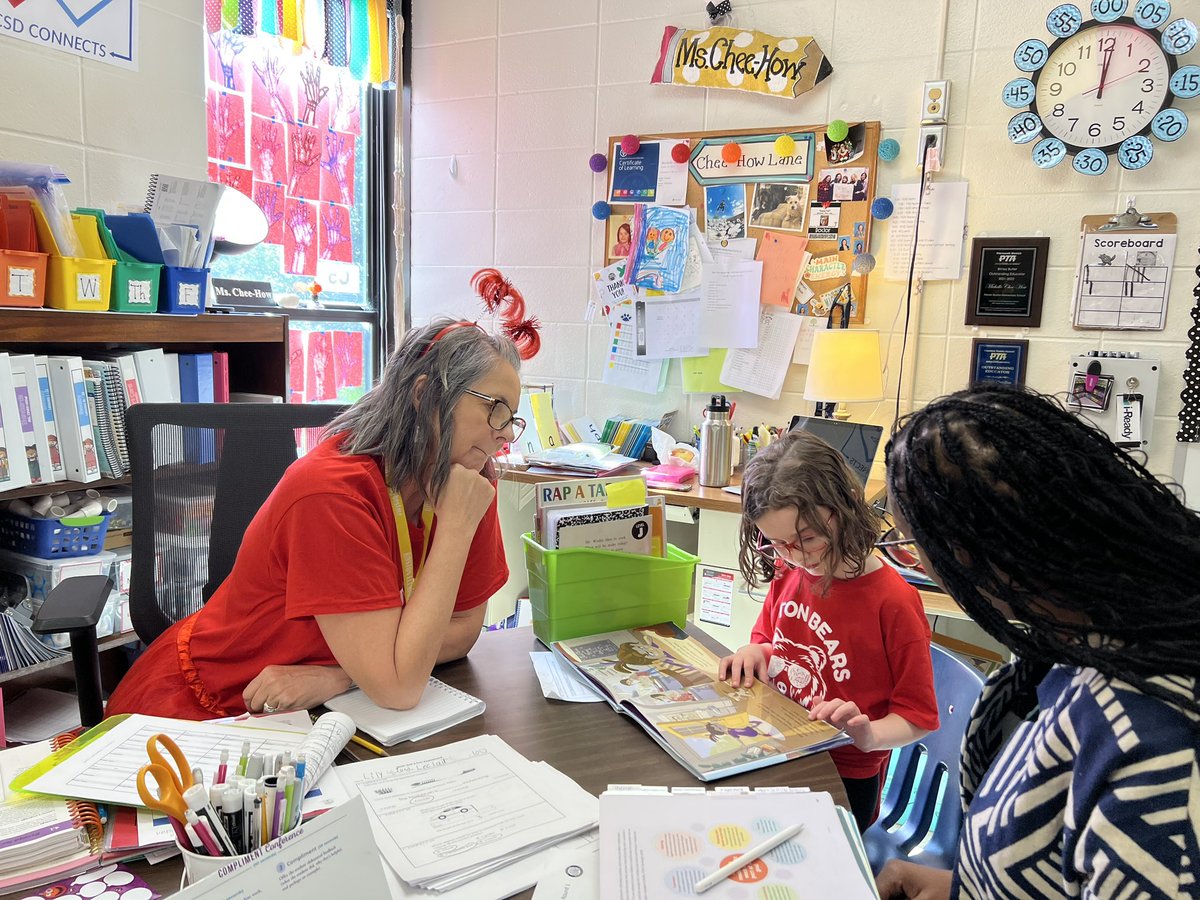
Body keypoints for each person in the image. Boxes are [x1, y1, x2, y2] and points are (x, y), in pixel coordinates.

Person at [106, 318, 523, 719]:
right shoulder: (332, 492)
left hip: (329, 706)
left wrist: (338, 677)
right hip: (217, 704)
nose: (504, 433)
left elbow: (465, 629)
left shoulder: (467, 479)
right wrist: (454, 530)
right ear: (424, 395)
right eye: (495, 409)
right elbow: (399, 689)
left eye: (512, 419)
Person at [877, 385, 1200, 899]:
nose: (914, 562)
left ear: (966, 553)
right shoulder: (1077, 646)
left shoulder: (1153, 745)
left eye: (911, 546)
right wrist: (957, 889)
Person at [717, 430, 939, 831]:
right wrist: (755, 654)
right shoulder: (790, 569)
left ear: (846, 505)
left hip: (844, 775)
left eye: (808, 538)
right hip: (780, 744)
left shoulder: (893, 602)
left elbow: (917, 716)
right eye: (777, 543)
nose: (795, 555)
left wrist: (867, 735)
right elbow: (769, 641)